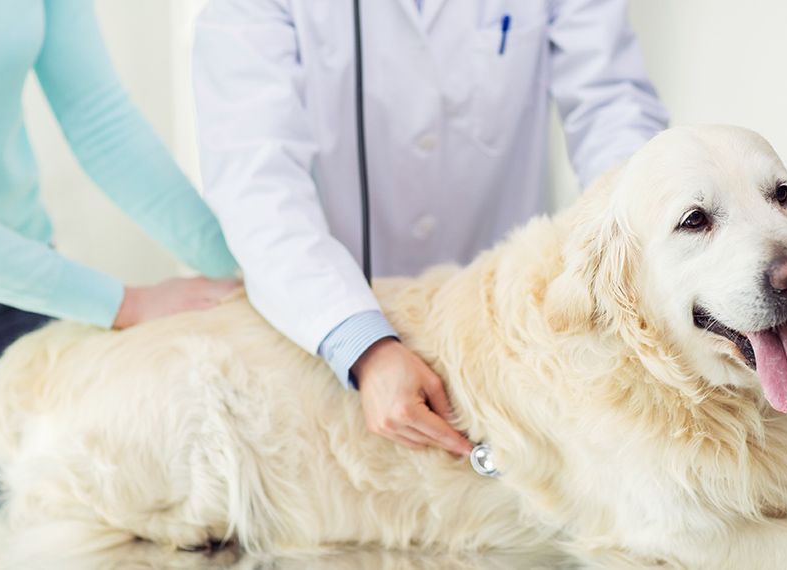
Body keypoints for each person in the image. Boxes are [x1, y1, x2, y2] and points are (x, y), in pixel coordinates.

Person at [193, 0, 669, 456]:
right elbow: (256, 178)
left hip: (506, 330)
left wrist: (644, 252)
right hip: (333, 323)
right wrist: (362, 344)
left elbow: (611, 106)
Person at [0, 0, 241, 468]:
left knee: (6, 516)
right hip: (33, 283)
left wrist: (243, 273)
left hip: (6, 306)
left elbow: (102, 123)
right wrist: (126, 303)